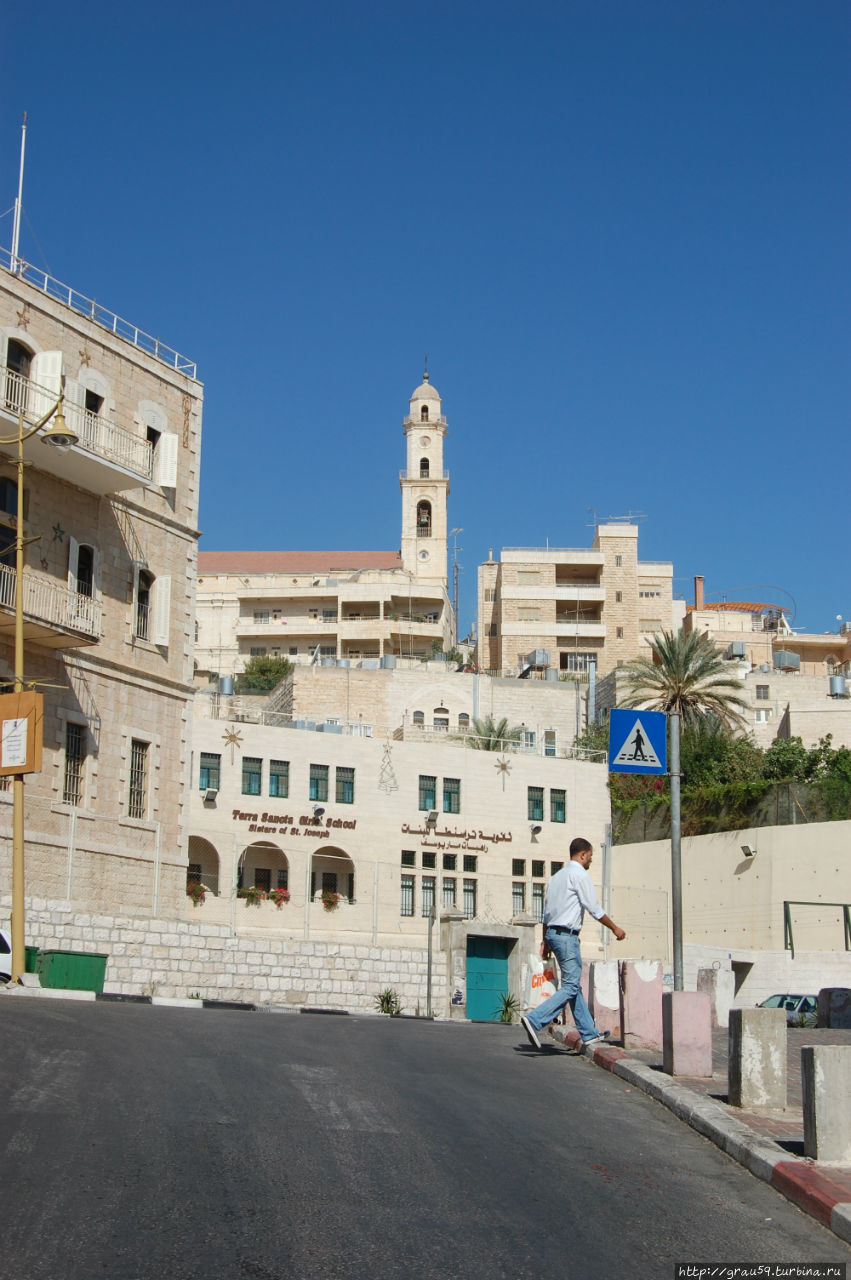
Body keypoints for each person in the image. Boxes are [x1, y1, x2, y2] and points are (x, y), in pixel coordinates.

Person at [520, 836, 626, 1051]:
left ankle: (589, 1033)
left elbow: (547, 912)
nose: (591, 861)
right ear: (583, 854)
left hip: (552, 933)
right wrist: (615, 928)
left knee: (572, 984)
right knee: (570, 985)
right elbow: (594, 909)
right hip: (567, 936)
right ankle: (535, 1019)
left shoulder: (556, 877)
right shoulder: (579, 875)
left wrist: (545, 941)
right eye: (591, 857)